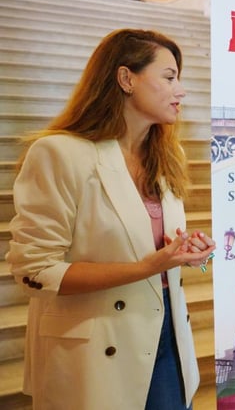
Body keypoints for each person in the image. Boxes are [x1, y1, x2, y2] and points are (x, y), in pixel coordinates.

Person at [6, 29, 217, 410]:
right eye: (169, 77)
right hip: (94, 347)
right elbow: (34, 271)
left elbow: (153, 250)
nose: (181, 90)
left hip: (167, 331)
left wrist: (189, 254)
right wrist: (148, 266)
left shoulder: (168, 157)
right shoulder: (59, 154)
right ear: (126, 79)